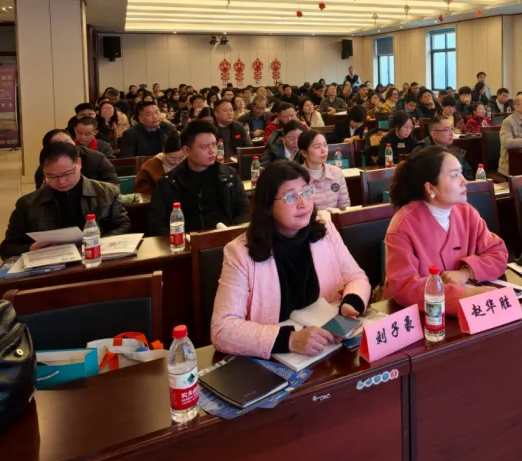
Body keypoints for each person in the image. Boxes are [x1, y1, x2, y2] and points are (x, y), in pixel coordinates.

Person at [210, 161, 370, 359]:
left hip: (327, 348)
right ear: (268, 206)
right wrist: (290, 340)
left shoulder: (325, 231)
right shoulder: (240, 253)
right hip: (277, 358)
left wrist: (351, 304)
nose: (303, 203)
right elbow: (222, 329)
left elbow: (356, 277)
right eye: (291, 197)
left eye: (306, 192)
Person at [383, 146, 507, 312]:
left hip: (468, 308)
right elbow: (405, 288)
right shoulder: (403, 225)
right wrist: (464, 296)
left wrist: (465, 273)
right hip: (417, 314)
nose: (464, 181)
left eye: (461, 173)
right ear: (430, 188)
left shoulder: (467, 212)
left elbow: (498, 254)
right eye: (454, 175)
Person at [0, 142, 131, 258]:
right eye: (52, 176)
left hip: (96, 258)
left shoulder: (107, 193)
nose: (61, 181)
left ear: (79, 164)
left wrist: (97, 242)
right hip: (50, 265)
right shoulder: (27, 204)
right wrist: (29, 248)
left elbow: (124, 226)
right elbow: (7, 248)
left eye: (67, 174)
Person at [148, 119, 249, 235]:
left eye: (214, 144)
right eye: (204, 147)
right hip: (186, 241)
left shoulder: (229, 175)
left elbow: (245, 209)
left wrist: (231, 233)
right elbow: (157, 224)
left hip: (227, 238)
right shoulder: (168, 182)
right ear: (187, 150)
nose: (212, 151)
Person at [32, 128, 119, 188]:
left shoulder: (97, 158)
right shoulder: (45, 169)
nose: (65, 147)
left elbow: (112, 187)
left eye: (67, 142)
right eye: (58, 144)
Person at [298, 130, 350, 211]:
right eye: (317, 147)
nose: (324, 150)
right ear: (304, 153)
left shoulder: (336, 172)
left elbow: (344, 205)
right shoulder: (297, 177)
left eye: (325, 145)